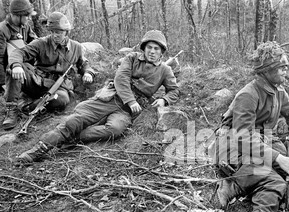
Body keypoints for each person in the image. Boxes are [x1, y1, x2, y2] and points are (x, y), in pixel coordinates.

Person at [210, 41, 289, 212]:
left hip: (262, 140)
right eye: (282, 67)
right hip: (233, 145)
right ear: (267, 70)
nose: (285, 70)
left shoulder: (278, 91)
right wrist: (278, 157)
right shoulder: (248, 94)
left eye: (286, 66)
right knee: (273, 177)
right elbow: (243, 137)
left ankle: (246, 184)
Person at [16, 29, 179, 163]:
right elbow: (121, 78)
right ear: (144, 48)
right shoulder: (131, 58)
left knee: (115, 129)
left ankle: (75, 138)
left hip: (125, 111)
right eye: (149, 47)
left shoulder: (165, 70)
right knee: (74, 120)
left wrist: (164, 99)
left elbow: (174, 90)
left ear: (162, 52)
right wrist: (130, 100)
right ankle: (37, 150)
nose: (152, 51)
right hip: (110, 97)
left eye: (156, 48)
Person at [2, 11, 95, 130]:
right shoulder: (41, 43)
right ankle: (11, 109)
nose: (55, 35)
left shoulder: (76, 47)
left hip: (58, 86)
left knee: (62, 99)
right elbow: (19, 52)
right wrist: (16, 66)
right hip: (36, 81)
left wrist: (88, 72)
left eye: (59, 32)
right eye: (52, 32)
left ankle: (30, 106)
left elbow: (83, 64)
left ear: (66, 32)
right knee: (13, 68)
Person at [0, 0, 37, 97]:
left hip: (23, 68)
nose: (29, 18)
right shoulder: (0, 30)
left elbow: (35, 44)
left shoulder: (25, 26)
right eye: (27, 16)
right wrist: (3, 84)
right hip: (9, 74)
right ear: (17, 15)